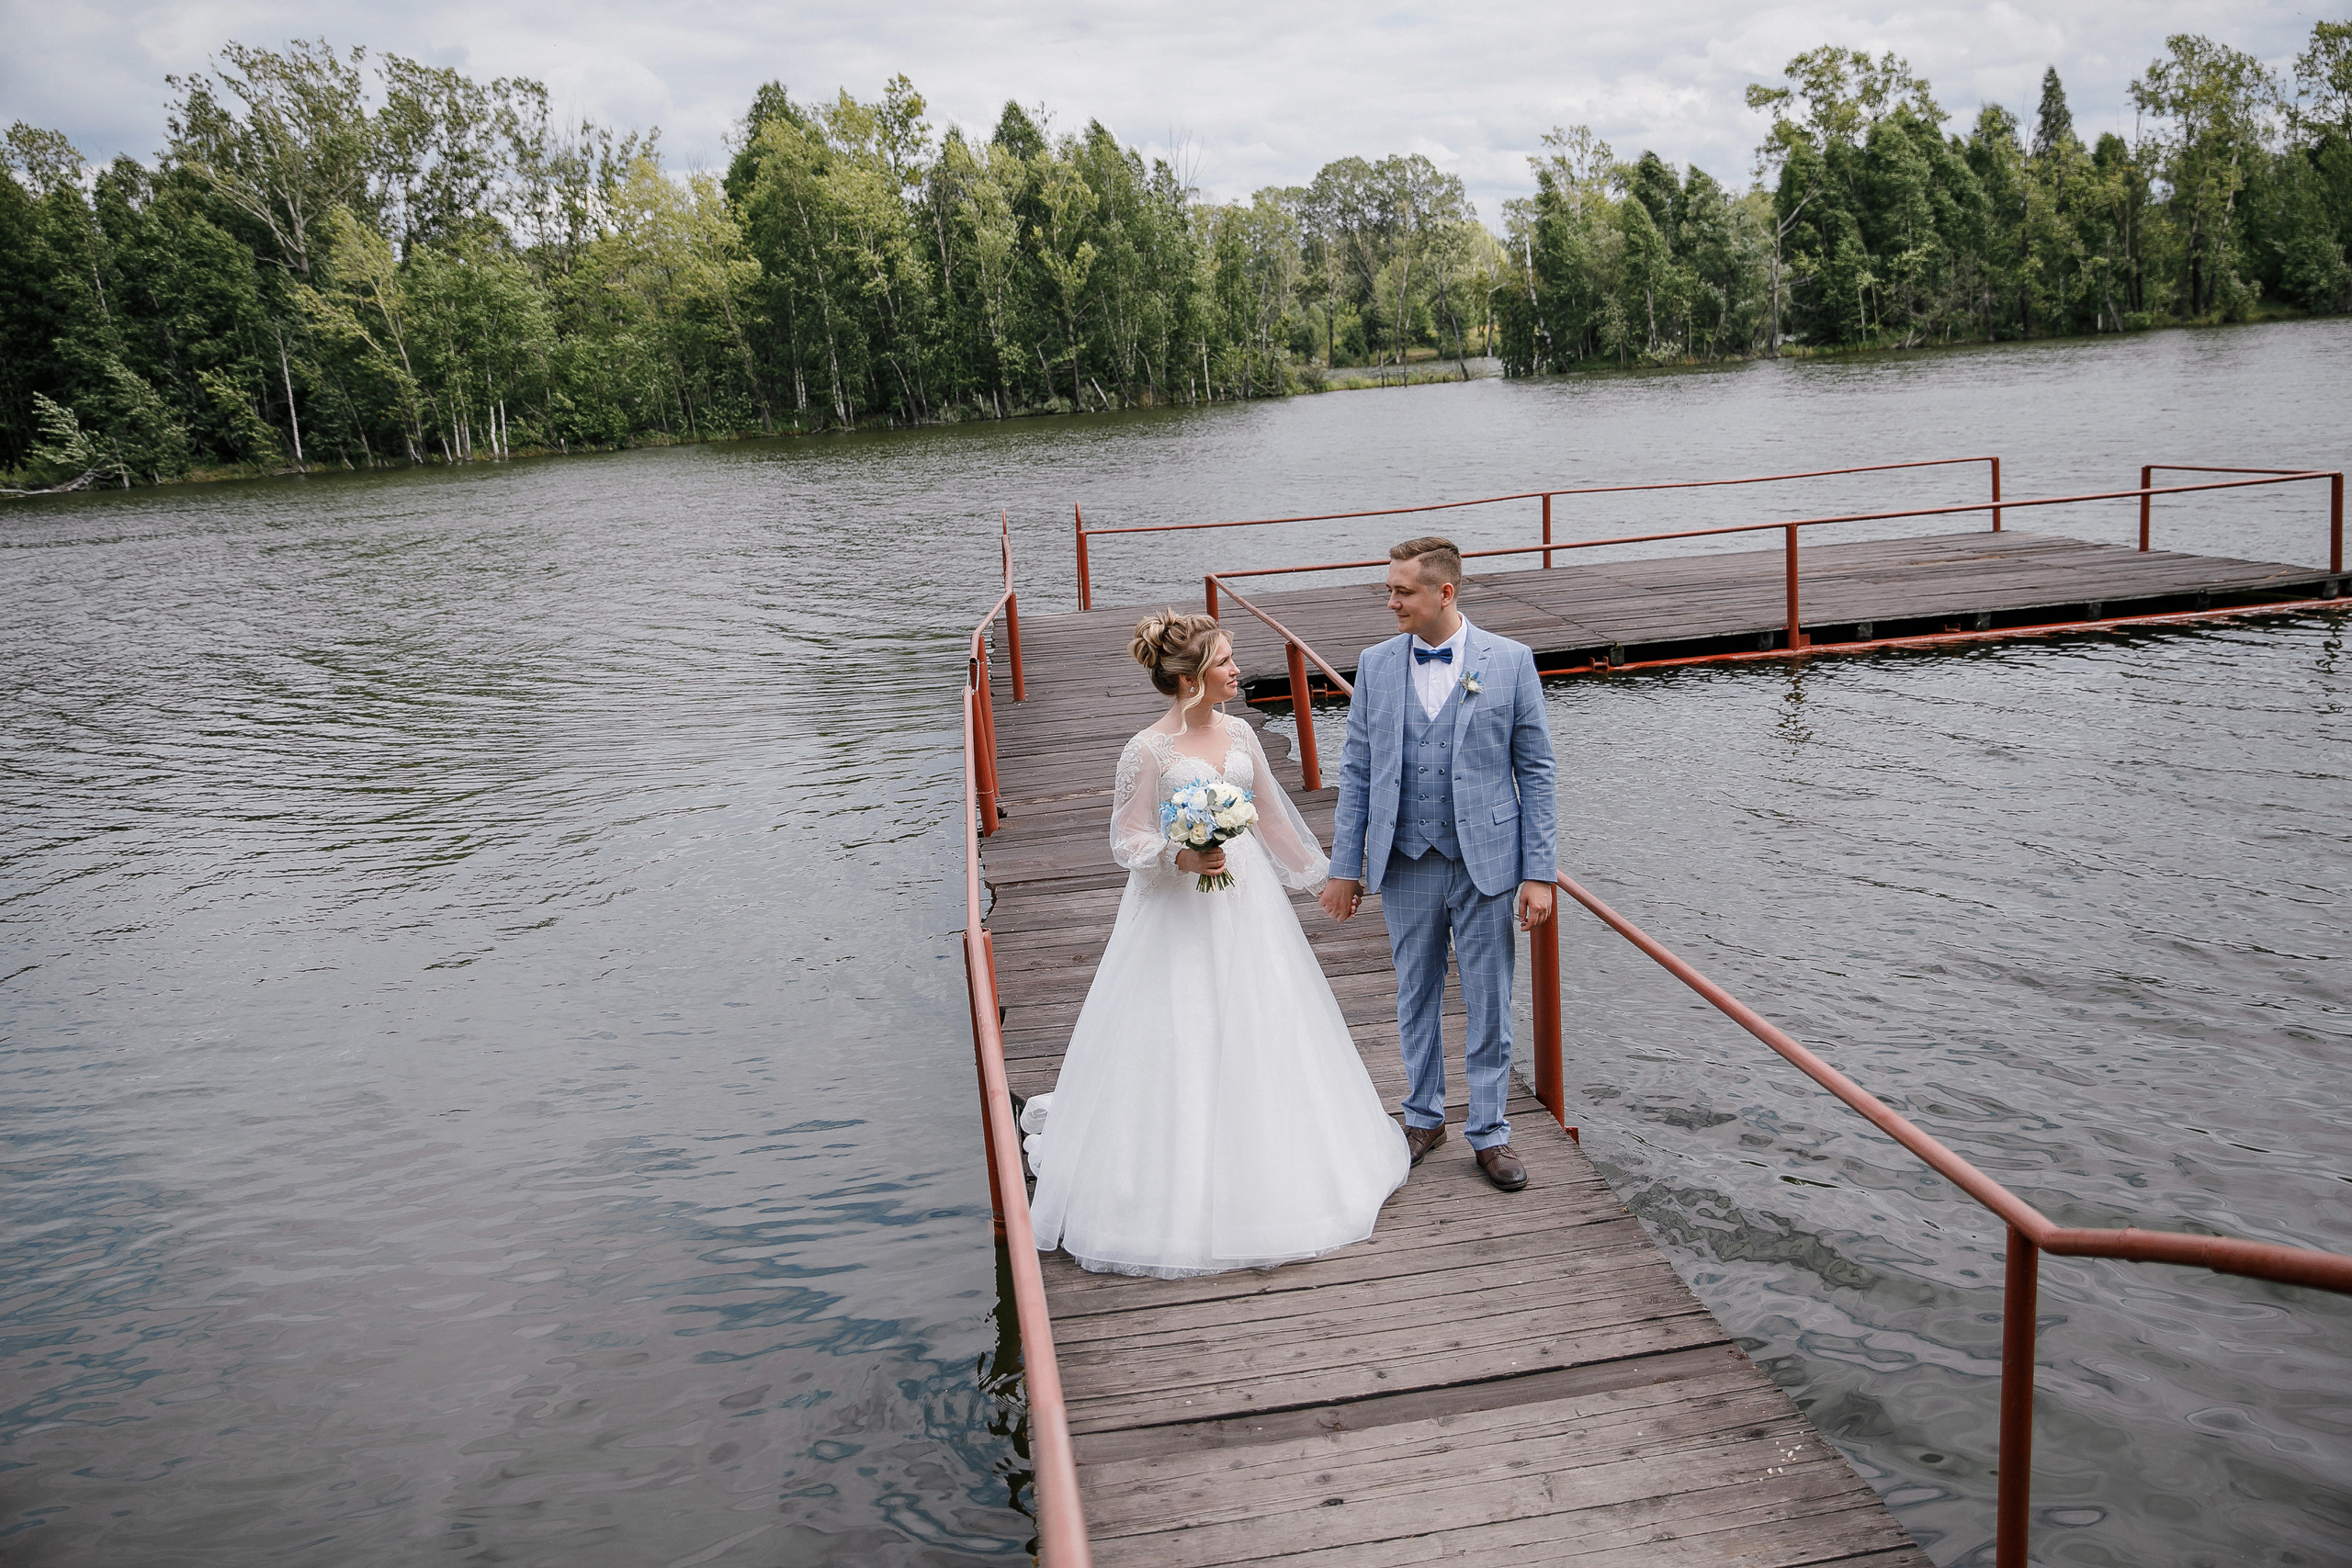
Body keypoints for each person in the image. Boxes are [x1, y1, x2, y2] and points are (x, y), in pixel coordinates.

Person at [1023, 612, 1409, 1278]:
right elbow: (1127, 837)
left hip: (1247, 899)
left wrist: (1327, 879)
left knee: (1265, 1019)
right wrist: (1178, 852)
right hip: (1175, 909)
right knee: (1179, 1027)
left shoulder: (1238, 734)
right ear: (1195, 677)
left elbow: (1275, 817)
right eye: (1227, 661)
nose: (1238, 670)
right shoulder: (1146, 750)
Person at [1317, 536, 1558, 1191]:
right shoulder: (1374, 664)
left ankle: (1490, 1130)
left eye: (1402, 591)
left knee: (1489, 997)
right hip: (1404, 859)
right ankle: (1423, 1116)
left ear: (1444, 593)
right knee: (1414, 992)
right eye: (1389, 589)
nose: (1389, 600)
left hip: (1487, 860)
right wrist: (1346, 866)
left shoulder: (1509, 662)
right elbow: (1358, 770)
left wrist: (1540, 872)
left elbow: (1535, 772)